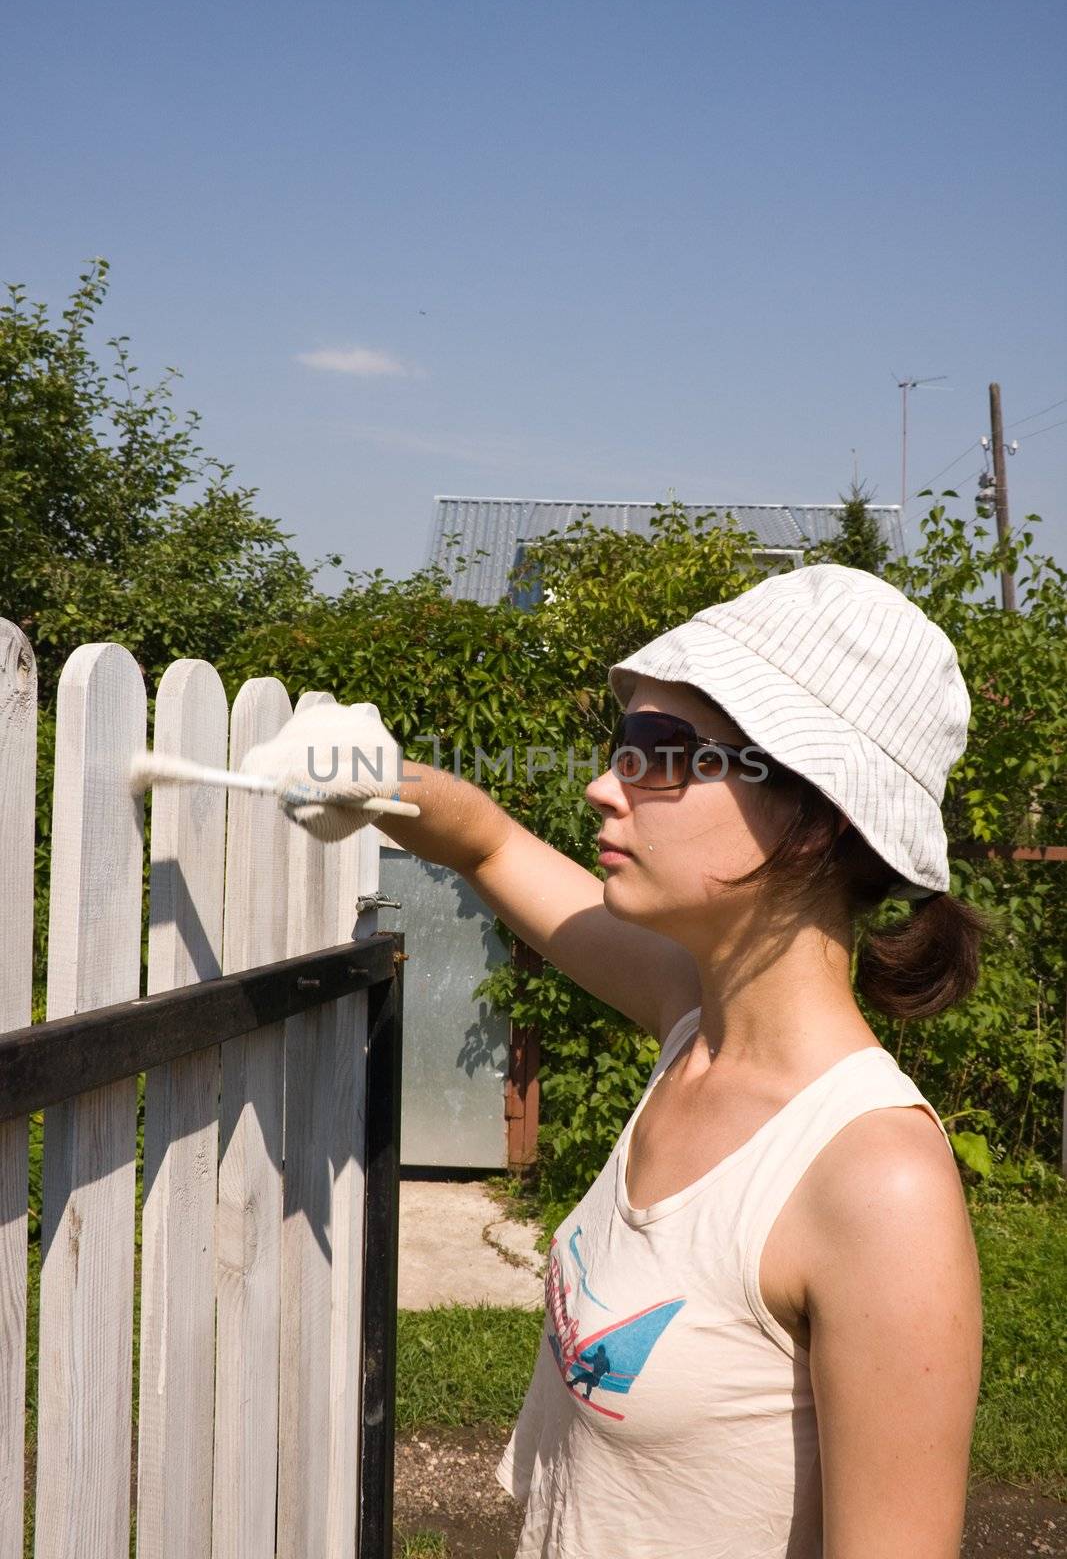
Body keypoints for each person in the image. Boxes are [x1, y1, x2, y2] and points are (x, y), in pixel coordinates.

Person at [244, 562, 987, 1558]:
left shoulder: (873, 1181)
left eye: (659, 751)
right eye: (621, 742)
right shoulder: (694, 1022)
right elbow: (491, 846)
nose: (603, 782)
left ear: (827, 816)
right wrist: (376, 781)